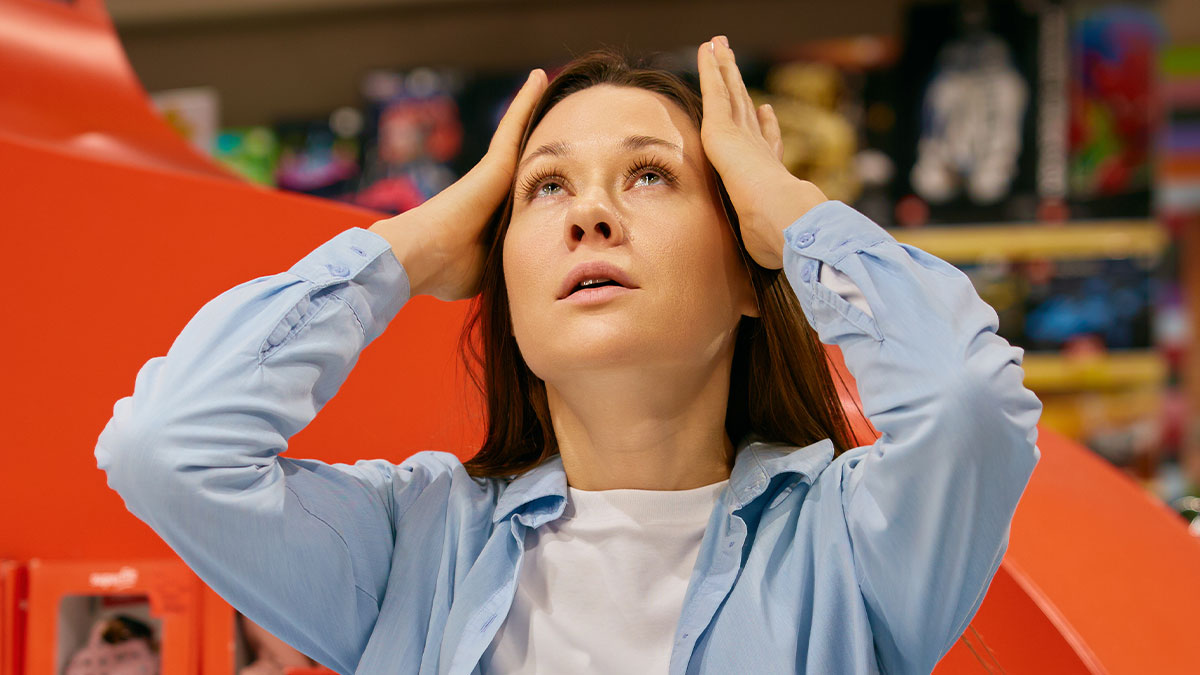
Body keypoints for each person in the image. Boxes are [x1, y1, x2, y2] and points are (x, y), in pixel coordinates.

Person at [95, 37, 1043, 674]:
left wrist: (790, 213)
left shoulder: (850, 545)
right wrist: (412, 245)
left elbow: (967, 401)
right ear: (504, 288)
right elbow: (168, 448)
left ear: (751, 272)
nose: (591, 214)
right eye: (545, 189)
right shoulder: (412, 548)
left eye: (650, 175)